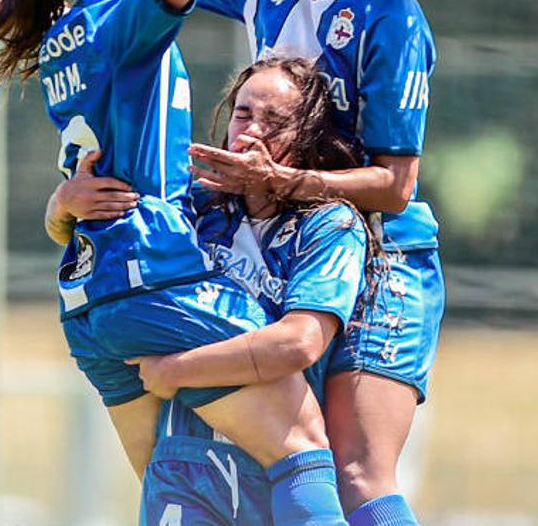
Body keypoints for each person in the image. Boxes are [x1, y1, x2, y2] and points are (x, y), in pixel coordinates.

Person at [0, 0, 349, 526]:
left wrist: (59, 210)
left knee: (172, 480)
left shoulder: (65, 38)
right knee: (303, 450)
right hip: (153, 278)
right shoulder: (121, 19)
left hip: (89, 301)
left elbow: (90, 173)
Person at [183, 0, 538, 525]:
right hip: (298, 252)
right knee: (289, 461)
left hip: (385, 258)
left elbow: (396, 184)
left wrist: (287, 183)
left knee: (358, 472)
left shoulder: (393, 22)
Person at [49, 57, 381, 526]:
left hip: (273, 466)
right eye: (244, 114)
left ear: (309, 135)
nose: (251, 132)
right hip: (186, 462)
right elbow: (107, 252)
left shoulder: (330, 224)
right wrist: (63, 205)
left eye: (275, 121)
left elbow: (299, 341)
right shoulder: (191, 207)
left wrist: (177, 370)